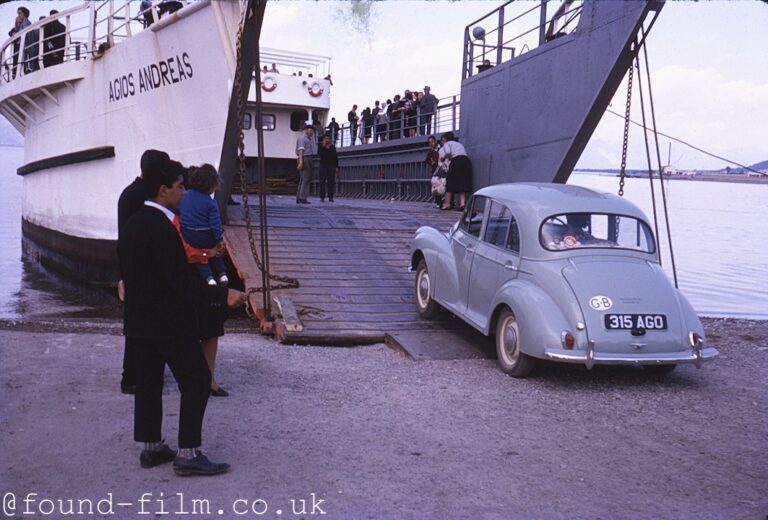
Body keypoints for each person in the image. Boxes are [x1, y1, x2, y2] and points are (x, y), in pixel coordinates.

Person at [118, 153, 246, 476]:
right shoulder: (163, 229)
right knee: (197, 379)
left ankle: (152, 447)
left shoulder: (134, 222)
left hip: (139, 321)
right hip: (168, 322)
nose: (184, 193)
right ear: (163, 190)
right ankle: (188, 453)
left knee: (148, 382)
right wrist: (222, 294)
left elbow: (132, 273)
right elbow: (181, 283)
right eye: (179, 187)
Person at [116, 150, 171, 395]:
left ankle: (134, 376)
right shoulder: (143, 196)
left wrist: (121, 273)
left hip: (131, 267)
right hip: (143, 270)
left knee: (136, 325)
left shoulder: (129, 193)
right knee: (142, 327)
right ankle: (133, 378)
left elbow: (123, 239)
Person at [179, 164, 229, 287]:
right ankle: (222, 273)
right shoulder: (210, 203)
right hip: (205, 235)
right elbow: (215, 225)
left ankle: (208, 277)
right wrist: (219, 240)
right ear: (211, 185)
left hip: (188, 234)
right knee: (215, 250)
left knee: (199, 255)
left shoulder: (184, 196)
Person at [439, 131, 472, 211]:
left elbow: (448, 152)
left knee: (450, 182)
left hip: (456, 161)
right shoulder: (459, 144)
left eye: (443, 140)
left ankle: (447, 204)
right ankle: (462, 204)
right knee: (462, 182)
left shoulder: (447, 144)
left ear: (446, 139)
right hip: (466, 161)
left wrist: (444, 157)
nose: (442, 142)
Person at [295, 121, 316, 204]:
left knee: (303, 179)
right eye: (311, 131)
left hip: (306, 158)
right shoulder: (303, 138)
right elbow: (301, 150)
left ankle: (299, 197)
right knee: (306, 179)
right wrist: (301, 162)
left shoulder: (306, 138)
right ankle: (302, 197)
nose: (312, 134)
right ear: (307, 130)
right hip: (305, 158)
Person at [318, 134, 339, 203]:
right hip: (323, 165)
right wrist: (324, 146)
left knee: (331, 181)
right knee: (322, 181)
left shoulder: (332, 147)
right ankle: (322, 197)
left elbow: (335, 157)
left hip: (331, 166)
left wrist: (336, 167)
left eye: (328, 139)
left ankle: (331, 197)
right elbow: (319, 154)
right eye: (326, 139)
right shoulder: (321, 146)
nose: (327, 140)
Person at [425, 135, 444, 208]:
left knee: (445, 185)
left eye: (432, 142)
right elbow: (427, 160)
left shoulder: (441, 148)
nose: (431, 144)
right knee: (436, 185)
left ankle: (448, 202)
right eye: (430, 142)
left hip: (442, 169)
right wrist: (431, 162)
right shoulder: (430, 152)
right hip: (435, 169)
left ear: (435, 141)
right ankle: (438, 202)